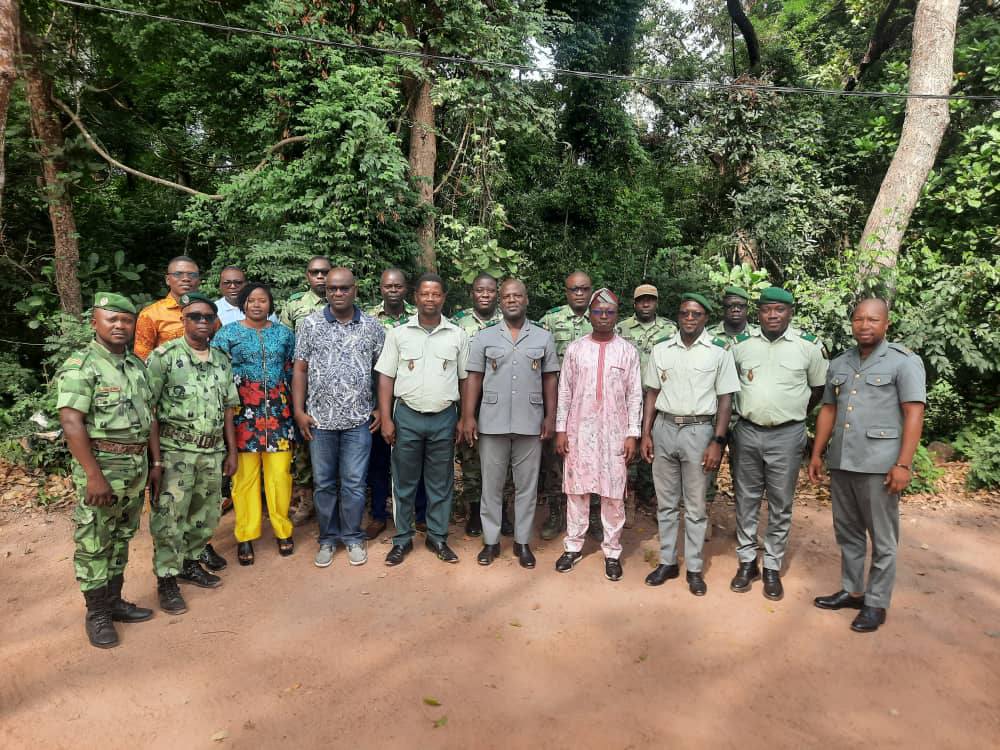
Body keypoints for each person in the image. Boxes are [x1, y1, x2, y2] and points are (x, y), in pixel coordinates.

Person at [809, 298, 926, 633]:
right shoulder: (841, 362)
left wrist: (903, 464)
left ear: (886, 324)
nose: (865, 325)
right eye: (859, 319)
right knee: (847, 532)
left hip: (880, 464)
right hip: (843, 461)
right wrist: (817, 453)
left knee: (883, 538)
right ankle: (852, 589)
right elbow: (829, 410)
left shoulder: (904, 362)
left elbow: (914, 413)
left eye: (873, 320)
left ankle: (876, 602)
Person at [56, 293, 154, 648]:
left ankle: (114, 602)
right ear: (94, 323)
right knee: (95, 541)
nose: (119, 326)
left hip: (134, 465)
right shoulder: (82, 365)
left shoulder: (135, 366)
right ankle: (96, 613)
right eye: (111, 319)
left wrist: (153, 463)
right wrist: (93, 475)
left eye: (126, 321)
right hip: (101, 466)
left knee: (122, 537)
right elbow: (71, 421)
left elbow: (149, 417)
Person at [729, 286, 828, 600]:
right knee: (745, 499)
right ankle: (747, 562)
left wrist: (792, 412)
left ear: (790, 312)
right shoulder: (740, 346)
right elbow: (727, 387)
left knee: (781, 502)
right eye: (766, 310)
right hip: (746, 431)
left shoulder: (808, 347)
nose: (772, 315)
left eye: (779, 310)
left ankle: (771, 565)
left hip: (787, 434)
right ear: (757, 313)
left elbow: (818, 390)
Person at [641, 293, 739, 596]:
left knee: (695, 506)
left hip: (699, 432)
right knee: (666, 503)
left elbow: (726, 401)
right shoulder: (661, 350)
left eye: (696, 314)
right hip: (664, 428)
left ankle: (694, 567)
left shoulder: (719, 353)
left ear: (705, 318)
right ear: (678, 316)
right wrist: (646, 433)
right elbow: (652, 395)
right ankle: (668, 561)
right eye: (684, 313)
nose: (689, 318)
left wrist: (717, 442)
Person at [147, 293, 239, 615]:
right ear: (183, 321)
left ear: (215, 323)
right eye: (194, 317)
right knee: (170, 518)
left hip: (212, 451)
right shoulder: (164, 357)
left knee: (205, 514)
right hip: (175, 452)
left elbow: (229, 408)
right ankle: (167, 579)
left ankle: (190, 562)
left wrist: (232, 451)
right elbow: (151, 412)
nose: (202, 322)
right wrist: (155, 461)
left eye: (207, 317)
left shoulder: (222, 360)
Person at [460, 279, 559, 568]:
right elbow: (474, 377)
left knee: (526, 486)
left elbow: (550, 377)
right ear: (500, 302)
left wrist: (551, 417)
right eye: (507, 296)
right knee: (491, 485)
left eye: (517, 295)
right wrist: (468, 416)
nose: (512, 300)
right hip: (492, 421)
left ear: (526, 300)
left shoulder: (543, 337)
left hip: (530, 421)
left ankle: (522, 542)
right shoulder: (484, 337)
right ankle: (491, 542)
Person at [375, 272, 470, 566]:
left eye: (436, 294)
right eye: (424, 294)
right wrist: (387, 418)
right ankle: (402, 539)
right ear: (415, 297)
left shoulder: (457, 334)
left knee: (440, 482)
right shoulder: (398, 333)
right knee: (404, 481)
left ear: (443, 298)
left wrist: (465, 417)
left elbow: (465, 379)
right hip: (407, 416)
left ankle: (438, 536)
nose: (430, 299)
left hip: (443, 417)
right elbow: (386, 378)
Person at [293, 268, 385, 568]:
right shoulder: (310, 324)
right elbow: (301, 369)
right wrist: (299, 411)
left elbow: (382, 372)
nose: (338, 293)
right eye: (332, 288)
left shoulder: (372, 326)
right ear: (326, 291)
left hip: (359, 420)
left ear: (354, 289)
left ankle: (353, 536)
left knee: (355, 483)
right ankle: (328, 538)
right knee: (323, 483)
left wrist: (381, 409)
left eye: (344, 288)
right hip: (320, 421)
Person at [553, 288, 642, 582]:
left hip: (614, 434)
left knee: (613, 494)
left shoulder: (627, 351)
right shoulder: (576, 349)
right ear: (590, 315)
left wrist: (632, 434)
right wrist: (561, 429)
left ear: (616, 316)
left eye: (609, 312)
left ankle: (612, 551)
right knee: (577, 491)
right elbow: (564, 391)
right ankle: (573, 546)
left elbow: (635, 396)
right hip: (579, 432)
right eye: (598, 312)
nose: (603, 316)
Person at [212, 283, 296, 566]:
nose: (257, 305)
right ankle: (245, 535)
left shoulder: (285, 334)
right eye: (251, 300)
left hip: (279, 416)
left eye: (263, 300)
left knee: (280, 477)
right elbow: (217, 373)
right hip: (241, 417)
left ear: (270, 305)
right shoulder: (228, 333)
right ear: (243, 304)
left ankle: (283, 530)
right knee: (244, 480)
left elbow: (292, 370)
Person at [363, 268, 423, 540]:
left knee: (416, 461)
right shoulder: (368, 319)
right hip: (378, 404)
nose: (393, 290)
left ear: (406, 288)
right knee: (379, 462)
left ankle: (420, 514)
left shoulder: (419, 315)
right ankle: (378, 514)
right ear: (380, 288)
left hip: (412, 400)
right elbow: (367, 366)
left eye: (398, 286)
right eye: (388, 286)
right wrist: (378, 406)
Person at [539, 271, 594, 542]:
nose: (580, 294)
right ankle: (555, 513)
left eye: (584, 289)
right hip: (557, 403)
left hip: (591, 407)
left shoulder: (602, 316)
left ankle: (592, 516)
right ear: (566, 292)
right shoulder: (550, 319)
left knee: (591, 461)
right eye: (574, 289)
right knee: (554, 463)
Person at [452, 272, 509, 537]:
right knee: (471, 457)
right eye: (479, 290)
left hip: (502, 401)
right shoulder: (458, 324)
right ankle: (475, 511)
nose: (484, 295)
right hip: (469, 400)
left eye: (489, 291)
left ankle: (502, 511)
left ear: (496, 293)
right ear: (471, 293)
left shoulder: (508, 321)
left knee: (503, 459)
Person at [617, 283, 677, 526]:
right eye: (641, 300)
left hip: (660, 399)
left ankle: (652, 499)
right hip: (626, 400)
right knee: (629, 451)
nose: (645, 304)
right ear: (634, 303)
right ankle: (628, 499)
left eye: (650, 300)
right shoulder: (621, 328)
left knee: (656, 450)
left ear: (656, 302)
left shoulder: (670, 329)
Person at [282, 256, 332, 526]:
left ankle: (331, 501)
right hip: (302, 385)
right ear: (307, 275)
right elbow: (284, 345)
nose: (321, 277)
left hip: (334, 389)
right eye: (315, 272)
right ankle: (306, 499)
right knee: (303, 444)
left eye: (325, 272)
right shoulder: (294, 305)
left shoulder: (343, 301)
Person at [704, 285, 760, 529]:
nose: (735, 310)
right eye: (730, 306)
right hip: (712, 416)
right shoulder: (707, 335)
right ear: (723, 308)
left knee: (745, 478)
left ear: (748, 308)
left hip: (745, 418)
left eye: (741, 306)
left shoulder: (759, 337)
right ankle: (702, 521)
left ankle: (744, 528)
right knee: (705, 472)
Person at [134, 256, 216, 361]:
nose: (186, 278)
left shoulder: (209, 312)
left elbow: (217, 348)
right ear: (168, 280)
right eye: (178, 274)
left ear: (199, 280)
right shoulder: (151, 314)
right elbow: (142, 359)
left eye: (192, 275)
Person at [214, 265, 278, 326]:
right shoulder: (213, 310)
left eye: (238, 282)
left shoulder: (261, 307)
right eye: (227, 283)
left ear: (246, 284)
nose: (233, 286)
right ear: (220, 286)